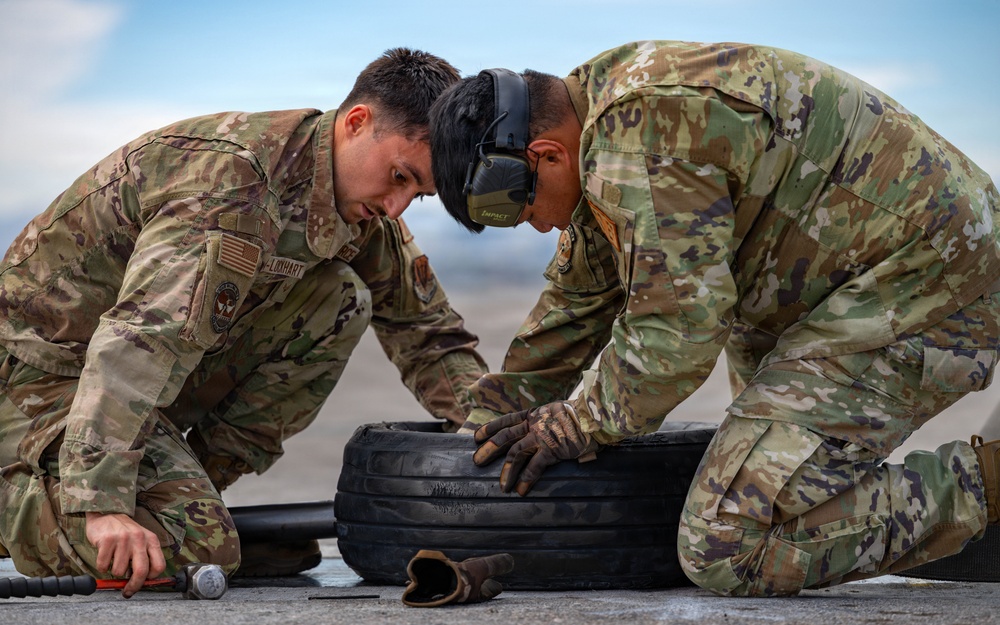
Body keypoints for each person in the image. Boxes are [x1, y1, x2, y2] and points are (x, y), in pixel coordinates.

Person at [428, 40, 1000, 597]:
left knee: (726, 543)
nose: (534, 228)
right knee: (771, 489)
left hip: (926, 280)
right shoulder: (597, 116)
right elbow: (576, 303)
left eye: (521, 208)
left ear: (545, 156)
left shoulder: (638, 142)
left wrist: (577, 421)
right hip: (835, 288)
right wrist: (472, 442)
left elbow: (676, 333)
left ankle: (985, 488)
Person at [0, 47, 488, 598]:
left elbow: (429, 334)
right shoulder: (235, 183)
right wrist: (101, 503)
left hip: (126, 386)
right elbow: (141, 340)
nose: (398, 206)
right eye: (399, 177)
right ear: (357, 123)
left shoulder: (360, 205)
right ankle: (17, 499)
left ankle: (189, 491)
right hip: (37, 378)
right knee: (197, 549)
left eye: (416, 194)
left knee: (339, 298)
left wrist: (500, 436)